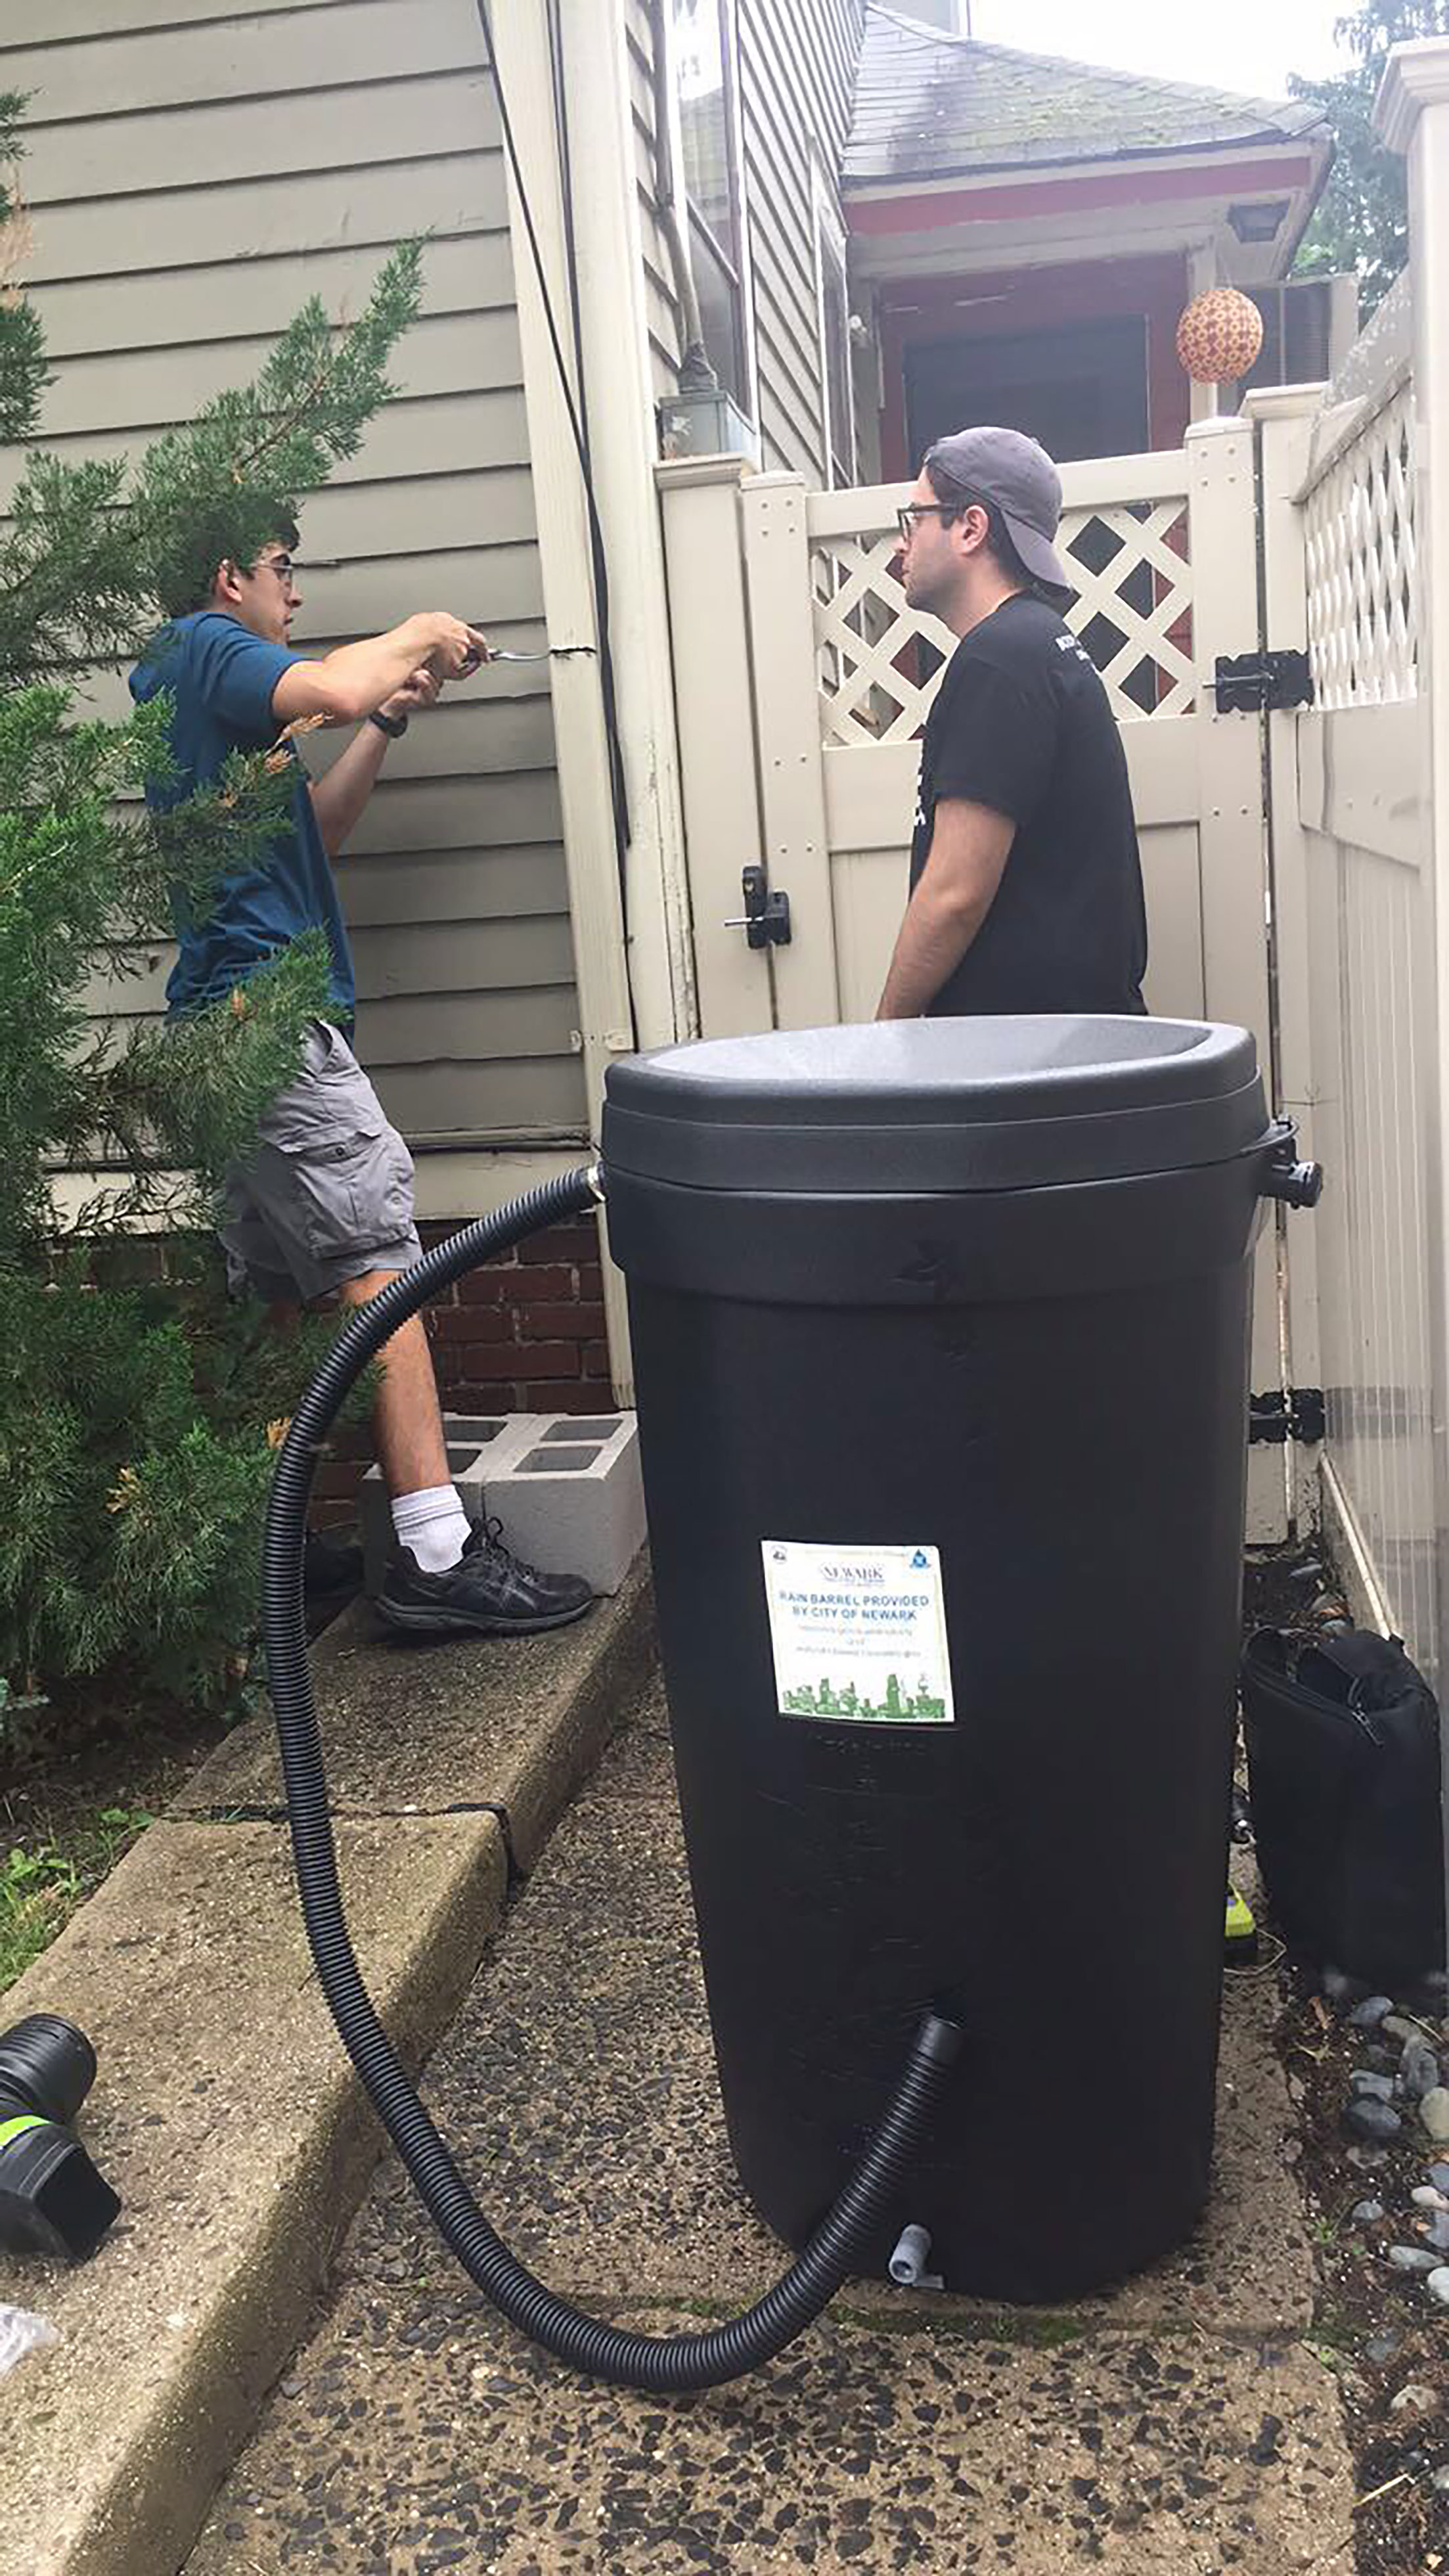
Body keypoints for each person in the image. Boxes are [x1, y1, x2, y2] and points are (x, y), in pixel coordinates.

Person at [129, 525, 593, 1639]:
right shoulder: (208, 649)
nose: (294, 591)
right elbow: (335, 685)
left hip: (218, 1031)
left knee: (282, 1301)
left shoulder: (207, 699)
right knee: (381, 1265)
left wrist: (387, 719)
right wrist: (424, 631)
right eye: (282, 571)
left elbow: (315, 833)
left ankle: (270, 1556)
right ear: (229, 578)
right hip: (269, 1022)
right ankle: (435, 1554)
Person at [877, 426, 1148, 1023]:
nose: (901, 545)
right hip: (1061, 1051)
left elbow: (955, 894)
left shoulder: (1000, 660)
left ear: (970, 527)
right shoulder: (1036, 643)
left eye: (914, 519)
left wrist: (887, 1034)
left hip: (1025, 1065)